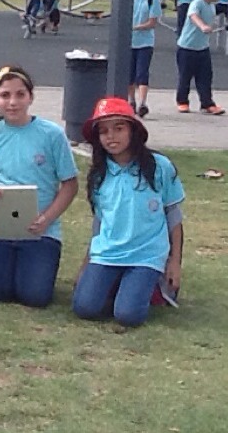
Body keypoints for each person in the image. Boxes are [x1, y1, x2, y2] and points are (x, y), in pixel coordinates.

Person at [0, 65, 79, 307]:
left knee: (35, 296)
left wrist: (47, 219)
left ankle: (27, 270)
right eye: (5, 95)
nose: (13, 102)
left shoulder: (51, 134)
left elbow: (70, 185)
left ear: (31, 97)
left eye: (20, 94)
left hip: (40, 231)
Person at [72, 97, 184, 328]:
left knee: (128, 315)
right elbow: (100, 222)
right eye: (103, 131)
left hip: (146, 255)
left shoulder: (160, 166)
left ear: (133, 130)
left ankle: (152, 286)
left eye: (119, 128)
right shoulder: (99, 174)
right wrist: (87, 263)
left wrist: (175, 261)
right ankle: (121, 285)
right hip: (108, 252)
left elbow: (173, 216)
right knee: (84, 307)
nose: (111, 136)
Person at [175, 0, 226, 114]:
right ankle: (182, 102)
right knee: (185, 76)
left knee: (205, 77)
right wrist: (202, 26)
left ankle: (207, 104)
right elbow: (193, 16)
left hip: (203, 48)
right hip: (187, 48)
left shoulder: (212, 6)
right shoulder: (197, 3)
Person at [129, 0, 162, 117]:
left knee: (142, 72)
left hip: (145, 42)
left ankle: (142, 102)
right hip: (129, 42)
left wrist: (136, 27)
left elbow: (152, 22)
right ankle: (131, 100)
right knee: (129, 73)